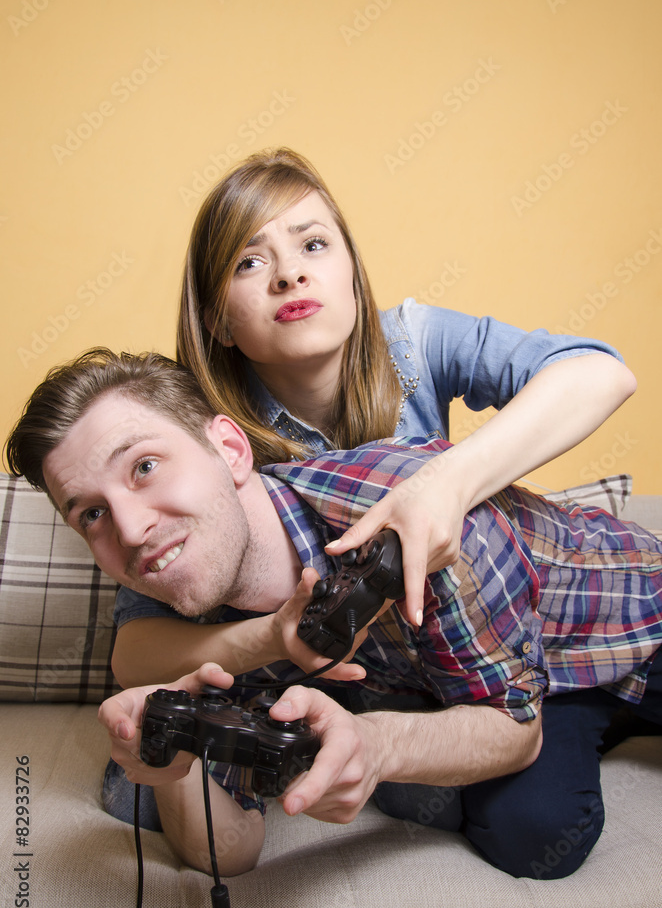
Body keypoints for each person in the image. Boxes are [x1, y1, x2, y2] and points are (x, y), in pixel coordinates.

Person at [5, 348, 661, 882]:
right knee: (531, 832)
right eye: (90, 512)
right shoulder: (214, 628)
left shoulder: (416, 521)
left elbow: (514, 733)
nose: (131, 527)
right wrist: (177, 762)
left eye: (145, 467)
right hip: (532, 679)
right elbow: (229, 853)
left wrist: (380, 746)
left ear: (230, 450)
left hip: (635, 621)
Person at [111, 147, 637, 690]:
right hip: (417, 681)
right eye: (249, 262)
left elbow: (599, 373)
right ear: (218, 321)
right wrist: (276, 636)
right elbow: (132, 653)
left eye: (313, 245)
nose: (290, 274)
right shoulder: (200, 434)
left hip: (545, 607)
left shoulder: (412, 340)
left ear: (354, 279)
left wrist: (443, 486)